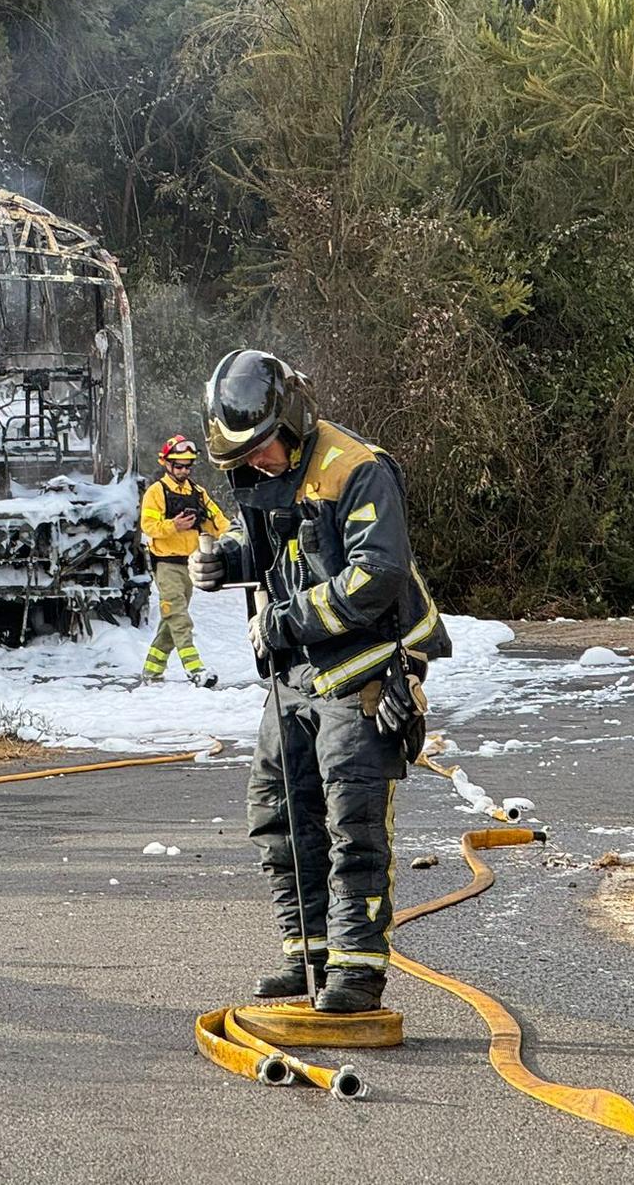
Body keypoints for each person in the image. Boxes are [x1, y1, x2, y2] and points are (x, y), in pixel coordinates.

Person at [190, 349, 451, 1015]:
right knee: (279, 814)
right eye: (242, 459)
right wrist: (227, 561)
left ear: (295, 419)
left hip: (362, 671)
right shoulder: (261, 472)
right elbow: (279, 549)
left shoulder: (357, 470)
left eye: (262, 450)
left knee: (352, 820)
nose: (255, 466)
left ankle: (358, 973)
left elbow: (377, 576)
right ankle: (305, 953)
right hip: (295, 678)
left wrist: (284, 621)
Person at [137, 434, 228, 688]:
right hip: (165, 565)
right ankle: (195, 669)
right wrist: (173, 526)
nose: (184, 470)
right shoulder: (156, 493)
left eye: (188, 465)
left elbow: (218, 520)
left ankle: (151, 671)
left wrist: (235, 536)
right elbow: (148, 525)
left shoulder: (197, 493)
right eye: (178, 465)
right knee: (179, 616)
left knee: (171, 620)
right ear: (166, 464)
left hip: (189, 564)